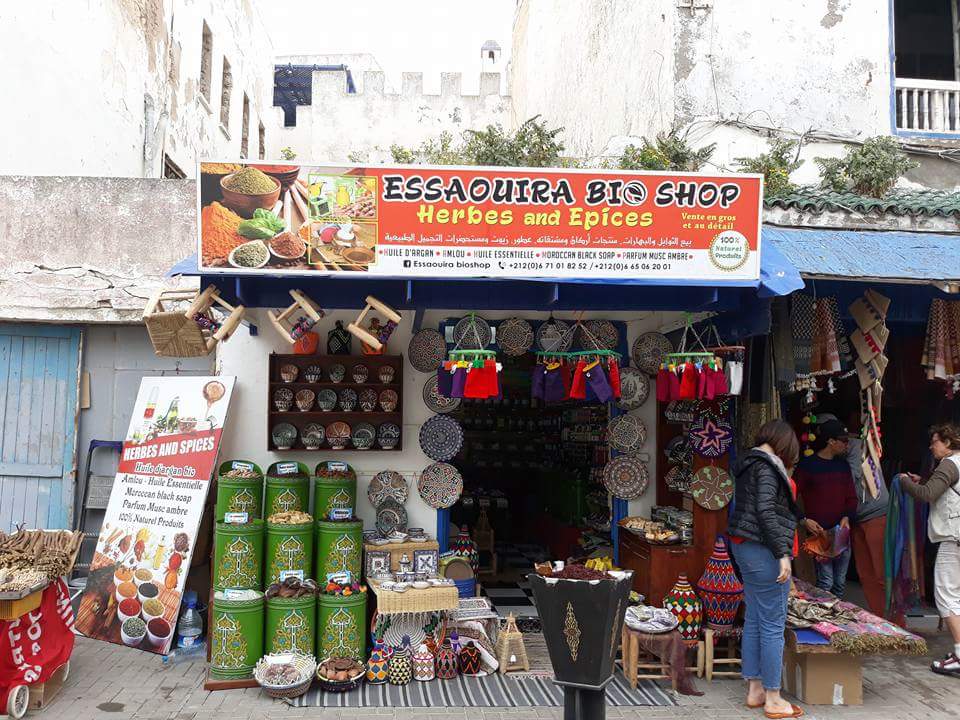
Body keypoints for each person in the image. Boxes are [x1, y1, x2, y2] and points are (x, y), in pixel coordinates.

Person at [727, 419, 803, 719]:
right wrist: (783, 554)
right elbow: (766, 511)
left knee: (757, 619)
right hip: (763, 549)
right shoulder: (768, 466)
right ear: (784, 442)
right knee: (772, 624)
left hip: (746, 545)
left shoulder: (750, 463)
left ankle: (755, 689)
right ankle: (773, 697)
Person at [818, 413, 895, 622]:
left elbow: (849, 480)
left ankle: (896, 621)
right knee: (865, 573)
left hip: (877, 514)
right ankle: (879, 619)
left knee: (881, 572)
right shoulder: (838, 454)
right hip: (857, 518)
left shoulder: (857, 447)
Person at [901, 423, 960, 677]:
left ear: (948, 443)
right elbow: (939, 489)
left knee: (947, 597)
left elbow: (926, 494)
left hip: (953, 538)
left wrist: (905, 482)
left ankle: (959, 654)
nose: (931, 445)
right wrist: (923, 480)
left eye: (935, 441)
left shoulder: (949, 464)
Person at [793, 418, 858, 597]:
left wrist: (847, 517)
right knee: (826, 582)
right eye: (844, 441)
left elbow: (852, 497)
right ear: (831, 441)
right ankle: (824, 622)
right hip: (820, 534)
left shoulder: (843, 466)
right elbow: (789, 496)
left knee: (839, 583)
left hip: (842, 532)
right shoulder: (808, 466)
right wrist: (803, 520)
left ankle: (834, 621)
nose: (847, 445)